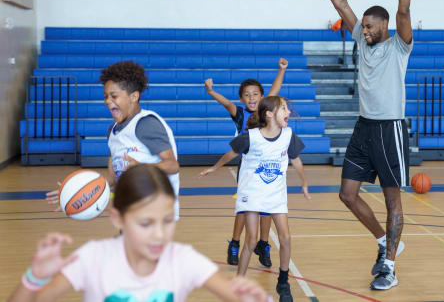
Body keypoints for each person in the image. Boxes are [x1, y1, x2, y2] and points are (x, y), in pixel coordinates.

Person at [9, 165, 270, 302]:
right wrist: (35, 277)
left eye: (167, 221)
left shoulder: (182, 259)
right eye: (145, 224)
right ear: (117, 218)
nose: (159, 234)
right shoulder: (93, 258)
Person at [315, 0, 416, 290]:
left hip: (390, 128)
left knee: (392, 200)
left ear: (385, 24)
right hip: (364, 127)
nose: (365, 31)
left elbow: (404, 9)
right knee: (347, 194)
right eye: (364, 27)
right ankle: (383, 242)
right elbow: (340, 1)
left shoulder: (399, 45)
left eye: (371, 27)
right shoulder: (363, 38)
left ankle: (389, 265)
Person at [199, 96, 311, 302]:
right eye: (283, 108)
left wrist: (304, 181)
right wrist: (214, 168)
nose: (288, 112)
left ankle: (283, 282)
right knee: (251, 240)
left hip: (276, 194)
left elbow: (296, 160)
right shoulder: (251, 137)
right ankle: (238, 283)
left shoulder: (288, 135)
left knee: (286, 238)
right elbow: (231, 154)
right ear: (269, 114)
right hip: (251, 193)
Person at [47, 61, 181, 220]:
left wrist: (141, 167)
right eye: (105, 96)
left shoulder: (146, 124)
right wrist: (74, 191)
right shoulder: (113, 131)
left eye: (114, 96)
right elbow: (112, 178)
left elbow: (172, 165)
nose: (107, 101)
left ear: (134, 96)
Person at [204, 58, 288, 267]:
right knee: (245, 208)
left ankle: (263, 243)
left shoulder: (266, 112)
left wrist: (281, 70)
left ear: (262, 97)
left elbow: (275, 90)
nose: (251, 98)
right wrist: (211, 92)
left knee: (267, 207)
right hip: (248, 168)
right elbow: (227, 103)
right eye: (247, 95)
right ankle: (234, 242)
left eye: (255, 94)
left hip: (267, 166)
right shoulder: (240, 114)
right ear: (242, 98)